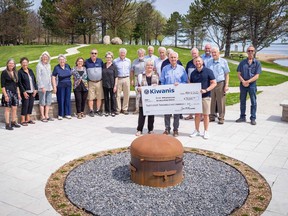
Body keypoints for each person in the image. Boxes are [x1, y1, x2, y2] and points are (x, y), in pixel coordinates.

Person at [160, 51, 188, 137]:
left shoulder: (181, 69)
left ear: (177, 58)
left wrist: (180, 84)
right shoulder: (165, 69)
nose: (173, 59)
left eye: (174, 58)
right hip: (167, 94)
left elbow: (185, 81)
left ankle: (176, 129)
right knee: (167, 113)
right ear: (169, 58)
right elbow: (162, 81)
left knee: (176, 113)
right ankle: (167, 128)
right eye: (171, 57)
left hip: (178, 94)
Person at [189, 57, 216, 139]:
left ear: (202, 62)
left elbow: (214, 83)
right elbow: (191, 84)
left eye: (199, 61)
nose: (197, 63)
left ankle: (206, 131)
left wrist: (206, 90)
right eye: (196, 61)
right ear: (194, 63)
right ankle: (197, 130)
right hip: (196, 98)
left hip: (206, 96)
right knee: (197, 115)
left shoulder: (208, 71)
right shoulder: (193, 73)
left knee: (206, 115)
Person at [236, 45, 261, 125]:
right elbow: (238, 74)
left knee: (253, 102)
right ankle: (242, 117)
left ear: (254, 52)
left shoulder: (257, 63)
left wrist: (248, 81)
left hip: (252, 85)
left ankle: (253, 118)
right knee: (242, 101)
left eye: (252, 51)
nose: (250, 52)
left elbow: (257, 75)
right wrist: (243, 81)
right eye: (249, 51)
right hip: (243, 84)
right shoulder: (242, 62)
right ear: (247, 52)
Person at [206, 47, 230, 124]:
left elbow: (227, 74)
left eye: (215, 52)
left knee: (221, 101)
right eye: (212, 53)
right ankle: (212, 116)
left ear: (218, 53)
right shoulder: (209, 62)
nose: (213, 54)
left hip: (220, 83)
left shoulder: (223, 62)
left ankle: (221, 117)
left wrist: (226, 85)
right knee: (211, 101)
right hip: (211, 83)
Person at [135, 59, 159, 136]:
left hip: (152, 100)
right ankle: (139, 129)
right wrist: (138, 89)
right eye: (148, 65)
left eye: (151, 65)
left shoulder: (156, 76)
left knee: (151, 115)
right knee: (142, 115)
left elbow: (159, 87)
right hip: (143, 99)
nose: (150, 67)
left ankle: (150, 129)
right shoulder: (140, 76)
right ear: (145, 66)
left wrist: (157, 87)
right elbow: (136, 86)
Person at [1, 59, 21, 130]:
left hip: (15, 92)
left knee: (14, 108)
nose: (11, 65)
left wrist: (18, 93)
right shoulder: (4, 72)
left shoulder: (15, 72)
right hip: (7, 92)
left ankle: (13, 122)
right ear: (7, 64)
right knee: (7, 109)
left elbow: (17, 84)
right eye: (10, 63)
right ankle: (7, 124)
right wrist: (5, 95)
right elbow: (2, 85)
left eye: (13, 63)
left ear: (14, 65)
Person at [18, 57, 38, 126]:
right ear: (21, 63)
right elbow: (19, 83)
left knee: (30, 105)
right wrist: (23, 92)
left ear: (28, 63)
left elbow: (34, 81)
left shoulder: (30, 70)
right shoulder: (20, 72)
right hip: (25, 92)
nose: (25, 64)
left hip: (32, 91)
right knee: (25, 105)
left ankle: (28, 119)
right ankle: (23, 120)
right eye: (23, 63)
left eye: (26, 62)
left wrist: (35, 89)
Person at [52, 54, 72, 120]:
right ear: (58, 61)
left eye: (63, 59)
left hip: (68, 85)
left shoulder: (67, 66)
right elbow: (53, 77)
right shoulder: (56, 67)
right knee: (61, 100)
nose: (62, 61)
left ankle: (67, 113)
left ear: (65, 60)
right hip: (60, 86)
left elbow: (71, 74)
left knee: (67, 99)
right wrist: (54, 87)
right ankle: (60, 114)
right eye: (60, 60)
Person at [85, 49, 104, 117]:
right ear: (90, 54)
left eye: (95, 53)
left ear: (97, 54)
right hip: (91, 82)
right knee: (90, 97)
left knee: (99, 97)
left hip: (99, 82)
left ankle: (98, 110)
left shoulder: (100, 61)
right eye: (92, 53)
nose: (94, 54)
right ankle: (91, 110)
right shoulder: (87, 62)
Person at [36, 51, 54, 122]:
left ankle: (46, 115)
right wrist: (41, 86)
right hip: (42, 87)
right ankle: (42, 116)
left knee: (48, 102)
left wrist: (52, 85)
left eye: (46, 57)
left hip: (49, 87)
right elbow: (38, 77)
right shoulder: (39, 65)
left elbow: (50, 75)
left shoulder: (49, 65)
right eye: (44, 57)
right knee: (42, 102)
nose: (45, 58)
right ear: (41, 58)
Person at [113, 48, 131, 115]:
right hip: (119, 78)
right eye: (121, 52)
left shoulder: (128, 61)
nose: (122, 54)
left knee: (127, 94)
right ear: (119, 53)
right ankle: (118, 109)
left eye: (124, 53)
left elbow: (130, 70)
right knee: (118, 94)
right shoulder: (115, 61)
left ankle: (125, 109)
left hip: (126, 78)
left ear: (125, 53)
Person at [184, 47, 200, 120]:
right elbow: (186, 73)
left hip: (199, 84)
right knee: (190, 100)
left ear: (198, 54)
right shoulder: (189, 63)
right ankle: (190, 114)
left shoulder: (201, 62)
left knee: (199, 100)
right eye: (193, 53)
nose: (194, 54)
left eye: (195, 53)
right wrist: (188, 82)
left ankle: (201, 115)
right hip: (190, 84)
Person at [102, 51, 118, 117]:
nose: (108, 59)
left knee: (112, 98)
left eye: (110, 57)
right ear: (105, 58)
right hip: (105, 84)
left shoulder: (114, 66)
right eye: (107, 57)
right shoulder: (103, 65)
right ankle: (107, 111)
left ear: (112, 58)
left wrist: (115, 86)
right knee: (106, 98)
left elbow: (116, 77)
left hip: (112, 84)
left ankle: (113, 111)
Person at [131, 48, 146, 114]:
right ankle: (137, 109)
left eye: (142, 53)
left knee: (145, 93)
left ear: (144, 54)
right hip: (137, 78)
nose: (140, 55)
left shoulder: (147, 61)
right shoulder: (134, 61)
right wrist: (131, 80)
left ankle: (145, 108)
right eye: (139, 53)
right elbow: (132, 71)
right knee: (137, 94)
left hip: (144, 78)